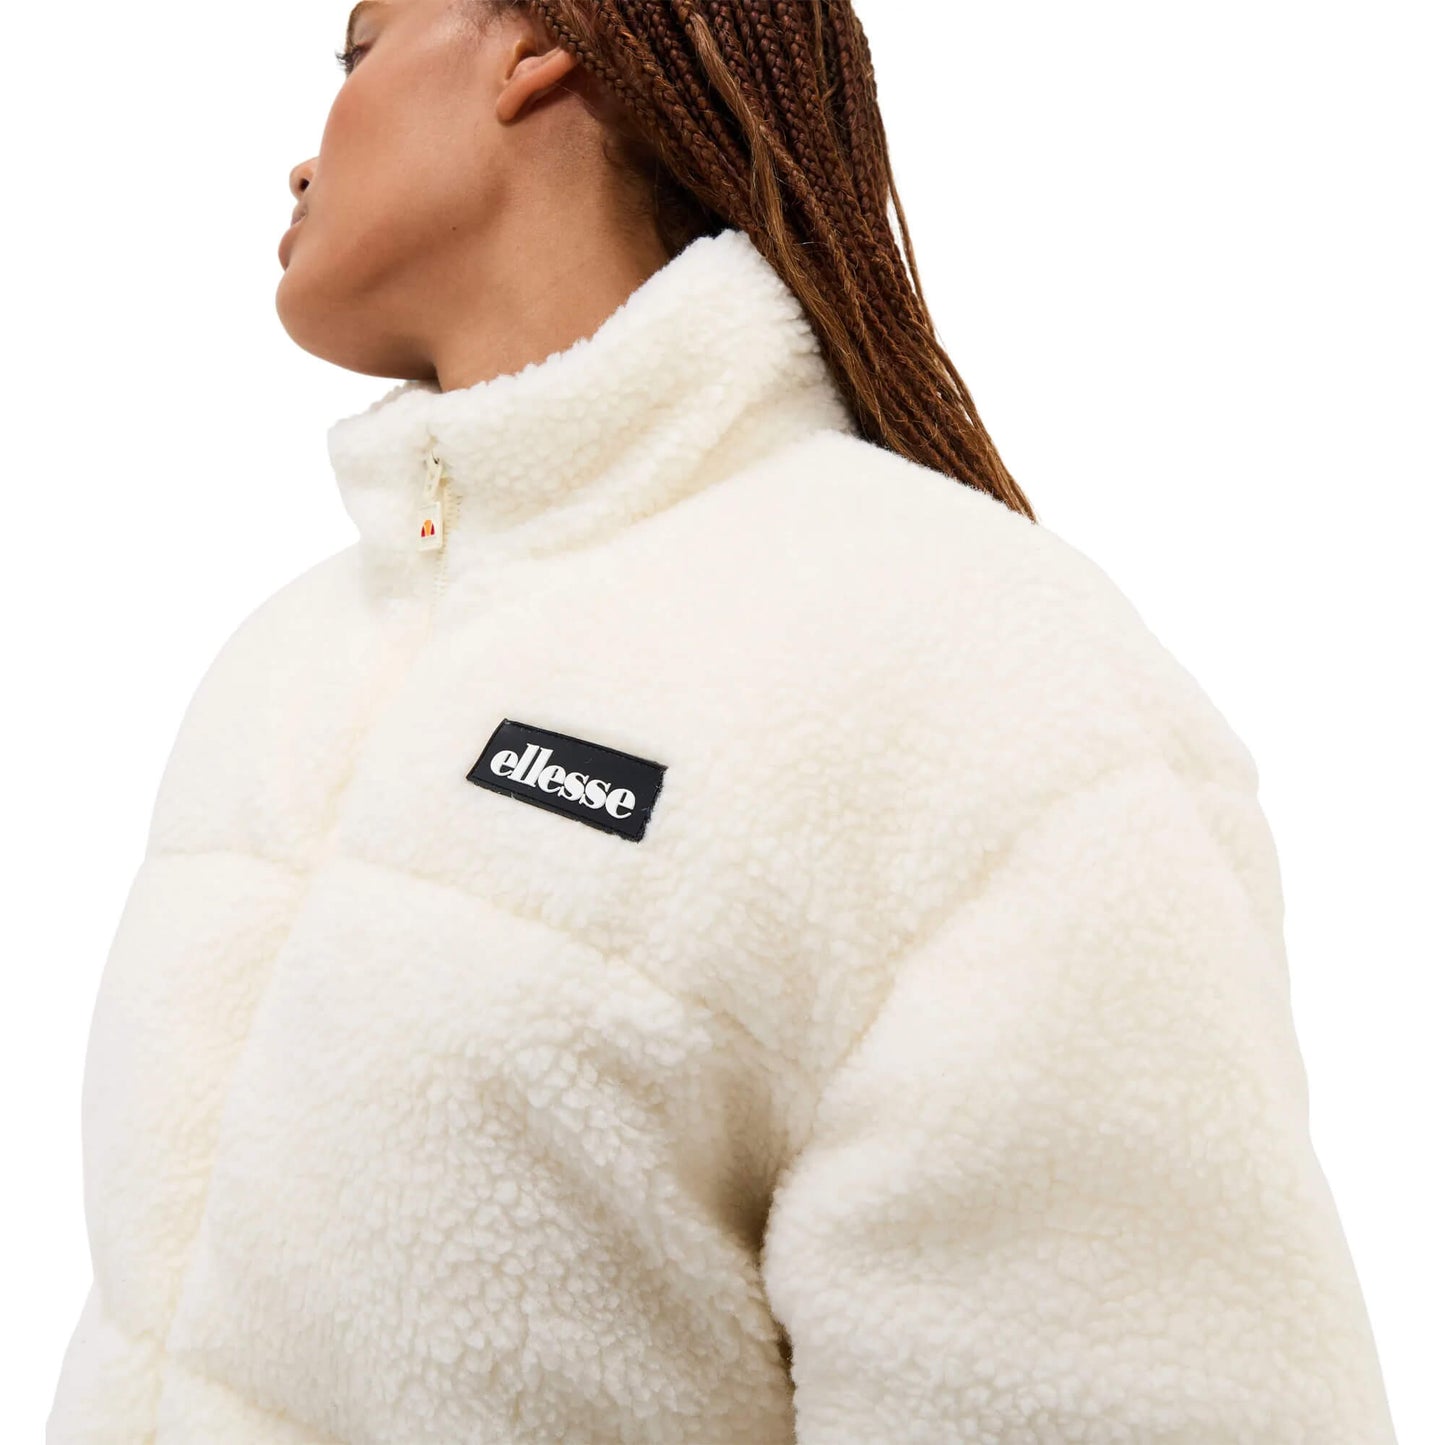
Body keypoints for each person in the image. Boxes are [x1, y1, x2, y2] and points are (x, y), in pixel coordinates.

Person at [47, 2, 1397, 1442]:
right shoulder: (289, 662)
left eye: (356, 52)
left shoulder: (957, 667)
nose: (301, 157)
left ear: (535, 48)